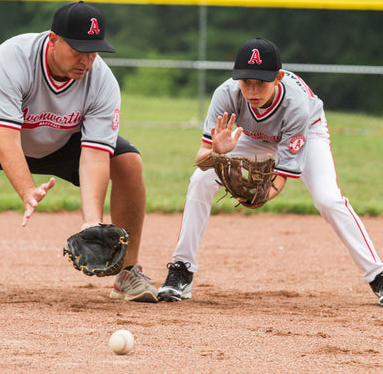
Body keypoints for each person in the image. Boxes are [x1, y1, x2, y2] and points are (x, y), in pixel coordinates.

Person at [0, 1, 158, 303]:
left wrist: (92, 220)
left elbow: (95, 154)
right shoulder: (12, 57)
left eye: (93, 51)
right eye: (78, 49)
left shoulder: (102, 81)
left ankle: (128, 273)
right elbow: (5, 138)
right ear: (53, 40)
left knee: (128, 162)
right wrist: (26, 189)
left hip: (64, 139)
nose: (87, 60)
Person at [158, 37, 383, 306]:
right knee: (200, 180)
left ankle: (377, 275)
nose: (252, 90)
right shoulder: (225, 95)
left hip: (306, 131)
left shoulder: (296, 104)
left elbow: (282, 176)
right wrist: (217, 153)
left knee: (328, 199)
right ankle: (181, 270)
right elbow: (201, 158)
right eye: (246, 82)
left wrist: (260, 197)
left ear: (277, 77)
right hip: (248, 136)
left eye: (260, 83)